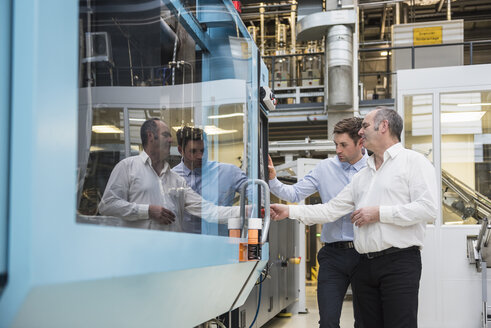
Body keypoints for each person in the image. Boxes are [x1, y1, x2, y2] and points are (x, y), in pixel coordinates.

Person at [270, 107, 438, 328]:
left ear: (384, 126)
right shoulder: (363, 176)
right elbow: (330, 210)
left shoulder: (413, 162)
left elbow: (428, 209)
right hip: (366, 264)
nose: (361, 132)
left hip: (399, 262)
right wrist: (289, 211)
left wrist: (378, 213)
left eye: (365, 126)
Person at [268, 117, 367, 328]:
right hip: (333, 256)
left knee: (366, 320)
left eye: (343, 145)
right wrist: (272, 180)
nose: (338, 150)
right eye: (335, 144)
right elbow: (293, 193)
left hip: (365, 254)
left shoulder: (373, 169)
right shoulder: (325, 168)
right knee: (328, 322)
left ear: (361, 142)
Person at [99, 118, 238, 231]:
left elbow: (210, 211)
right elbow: (107, 205)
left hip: (172, 254)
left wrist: (249, 211)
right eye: (165, 135)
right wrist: (147, 211)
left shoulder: (177, 180)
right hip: (139, 254)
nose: (171, 140)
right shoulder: (127, 167)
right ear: (150, 136)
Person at [172, 126, 249, 235]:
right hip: (185, 245)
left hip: (220, 244)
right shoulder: (172, 178)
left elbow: (255, 194)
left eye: (203, 150)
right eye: (193, 151)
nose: (200, 156)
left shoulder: (229, 172)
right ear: (181, 150)